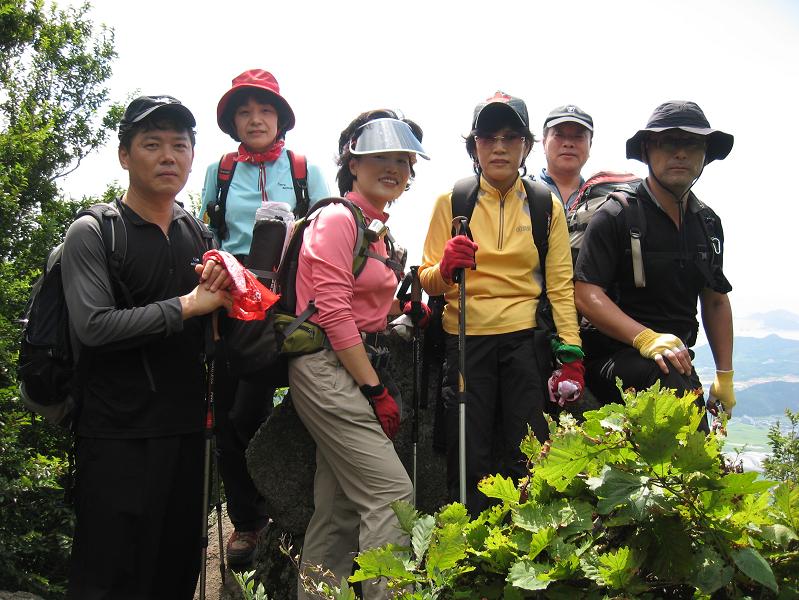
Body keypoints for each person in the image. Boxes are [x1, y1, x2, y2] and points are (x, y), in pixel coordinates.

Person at [63, 96, 232, 598]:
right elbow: (94, 325)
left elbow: (209, 327)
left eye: (180, 146)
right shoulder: (95, 232)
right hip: (116, 434)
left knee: (174, 570)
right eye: (151, 144)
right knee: (108, 574)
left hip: (184, 431)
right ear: (124, 155)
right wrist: (189, 305)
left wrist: (224, 294)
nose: (168, 157)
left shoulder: (195, 232)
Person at [418, 92, 584, 515]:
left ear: (526, 146)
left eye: (511, 137)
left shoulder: (546, 206)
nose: (499, 147)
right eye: (487, 136)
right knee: (469, 452)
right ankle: (471, 548)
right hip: (465, 339)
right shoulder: (453, 202)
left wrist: (571, 352)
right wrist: (446, 265)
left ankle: (520, 543)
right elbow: (428, 281)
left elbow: (560, 285)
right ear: (474, 145)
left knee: (525, 449)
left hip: (525, 342)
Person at [289, 109, 428, 599]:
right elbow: (331, 311)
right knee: (392, 495)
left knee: (341, 507)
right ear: (353, 161)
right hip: (326, 367)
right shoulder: (336, 219)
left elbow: (366, 308)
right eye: (380, 157)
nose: (392, 167)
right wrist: (375, 389)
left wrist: (404, 310)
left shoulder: (380, 233)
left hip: (349, 362)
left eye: (403, 160)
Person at [199, 68, 329, 565]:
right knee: (235, 417)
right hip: (235, 306)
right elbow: (213, 235)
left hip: (295, 306)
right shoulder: (221, 171)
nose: (255, 119)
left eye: (265, 109)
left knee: (316, 406)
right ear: (233, 121)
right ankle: (249, 522)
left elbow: (327, 234)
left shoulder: (303, 169)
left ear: (280, 117)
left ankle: (307, 509)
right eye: (245, 111)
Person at [574, 100, 736, 428]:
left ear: (705, 153)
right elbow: (586, 293)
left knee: (678, 390)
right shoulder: (617, 215)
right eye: (668, 142)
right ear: (648, 149)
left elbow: (716, 300)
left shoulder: (707, 223)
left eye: (692, 143)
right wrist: (645, 338)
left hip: (674, 359)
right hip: (614, 355)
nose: (680, 153)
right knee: (688, 435)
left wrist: (725, 374)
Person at [534, 104, 593, 211]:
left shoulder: (598, 199)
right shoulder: (523, 192)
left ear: (590, 146)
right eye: (559, 135)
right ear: (544, 143)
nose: (568, 143)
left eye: (578, 136)